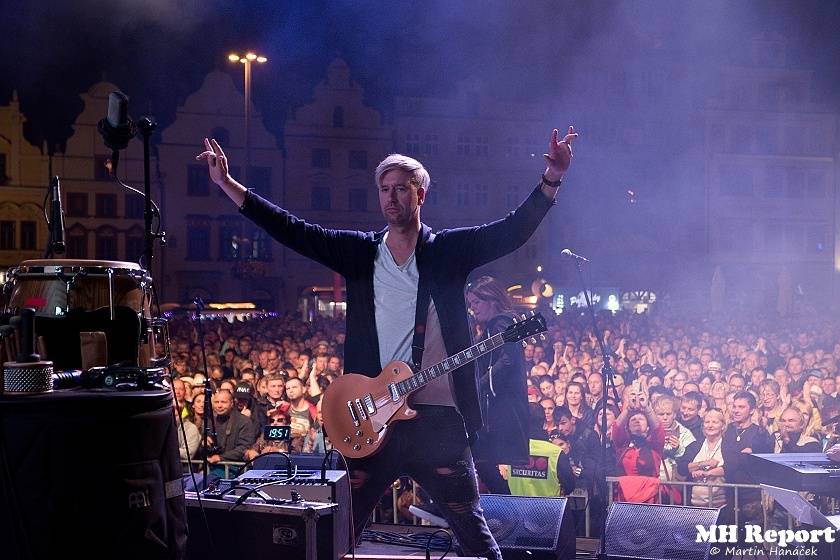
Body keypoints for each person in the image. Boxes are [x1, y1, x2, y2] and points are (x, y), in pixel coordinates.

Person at [196, 125, 577, 560]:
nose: (391, 197)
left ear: (421, 195)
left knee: (474, 534)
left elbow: (510, 231)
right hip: (371, 419)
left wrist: (551, 180)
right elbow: (292, 230)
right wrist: (228, 185)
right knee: (341, 534)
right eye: (384, 189)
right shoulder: (359, 252)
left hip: (438, 421)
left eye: (401, 189)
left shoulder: (450, 251)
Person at [466, 275, 530, 495]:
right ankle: (507, 513)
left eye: (476, 302)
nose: (472, 308)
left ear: (491, 299)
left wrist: (478, 385)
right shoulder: (494, 325)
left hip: (502, 409)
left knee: (477, 456)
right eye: (470, 304)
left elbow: (508, 359)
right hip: (500, 406)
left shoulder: (500, 322)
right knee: (482, 460)